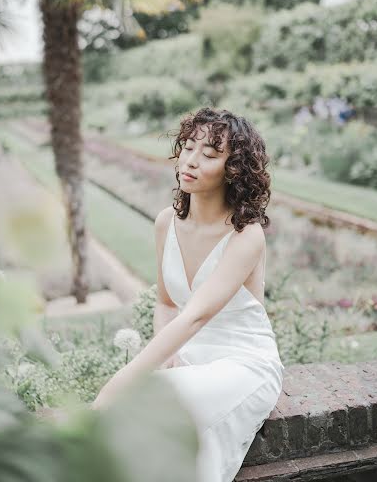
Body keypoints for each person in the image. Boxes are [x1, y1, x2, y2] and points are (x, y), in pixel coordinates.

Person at [92, 107, 285, 482]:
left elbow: (195, 314)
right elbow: (166, 303)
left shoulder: (246, 234)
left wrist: (117, 383)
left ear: (234, 170)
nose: (191, 161)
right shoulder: (167, 222)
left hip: (245, 364)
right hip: (193, 360)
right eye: (189, 147)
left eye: (210, 155)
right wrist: (172, 355)